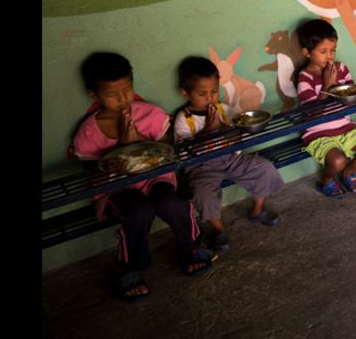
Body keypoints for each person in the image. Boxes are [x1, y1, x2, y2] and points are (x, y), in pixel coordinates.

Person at [71, 52, 212, 301]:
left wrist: (141, 143)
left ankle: (192, 247)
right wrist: (123, 149)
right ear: (94, 95)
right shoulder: (90, 132)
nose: (123, 99)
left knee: (172, 202)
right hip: (117, 189)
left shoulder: (148, 114)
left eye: (127, 89)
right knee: (139, 210)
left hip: (156, 178)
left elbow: (169, 151)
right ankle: (127, 267)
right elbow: (93, 174)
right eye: (112, 94)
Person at [172, 57, 284, 252]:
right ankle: (219, 228)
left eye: (214, 91)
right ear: (185, 92)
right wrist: (208, 130)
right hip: (202, 167)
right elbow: (185, 153)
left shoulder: (224, 110)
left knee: (264, 168)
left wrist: (224, 128)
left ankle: (257, 210)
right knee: (202, 193)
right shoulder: (184, 119)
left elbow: (240, 137)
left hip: (232, 159)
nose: (209, 98)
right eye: (201, 93)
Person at [296, 19, 356, 198]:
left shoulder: (341, 69)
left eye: (333, 50)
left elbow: (350, 99)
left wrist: (339, 88)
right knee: (338, 160)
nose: (329, 56)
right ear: (307, 52)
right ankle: (325, 181)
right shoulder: (305, 78)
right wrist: (326, 87)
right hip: (318, 132)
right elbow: (312, 113)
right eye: (323, 51)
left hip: (344, 127)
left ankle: (347, 173)